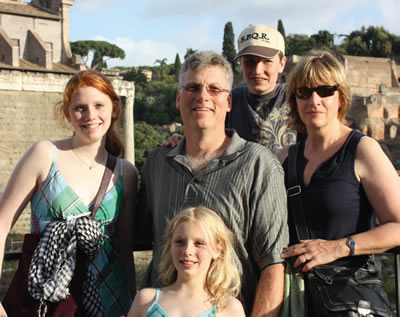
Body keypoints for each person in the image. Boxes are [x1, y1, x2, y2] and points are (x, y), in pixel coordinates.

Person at [136, 51, 289, 316]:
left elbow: (273, 262)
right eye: (193, 87)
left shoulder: (259, 165)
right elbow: (139, 237)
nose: (203, 96)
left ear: (229, 101)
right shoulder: (157, 163)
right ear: (178, 98)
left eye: (214, 89)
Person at [0, 70, 137, 316]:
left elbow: (123, 250)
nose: (90, 115)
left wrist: (133, 304)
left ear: (114, 109)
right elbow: (1, 224)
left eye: (99, 105)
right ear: (67, 113)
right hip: (46, 300)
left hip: (109, 300)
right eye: (80, 108)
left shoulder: (126, 172)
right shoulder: (44, 154)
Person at [279, 50, 400, 315]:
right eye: (304, 92)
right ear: (294, 100)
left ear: (341, 97)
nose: (314, 100)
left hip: (350, 298)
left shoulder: (362, 150)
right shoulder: (283, 158)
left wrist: (338, 247)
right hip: (296, 301)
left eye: (325, 91)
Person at [164, 24, 296, 153]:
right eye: (249, 62)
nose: (257, 70)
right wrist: (182, 141)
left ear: (281, 64)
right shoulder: (226, 100)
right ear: (240, 65)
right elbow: (204, 135)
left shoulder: (298, 97)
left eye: (267, 61)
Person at [128, 207, 245, 317]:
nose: (187, 251)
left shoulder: (229, 308)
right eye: (180, 242)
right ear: (170, 246)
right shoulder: (146, 300)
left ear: (217, 250)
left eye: (199, 243)